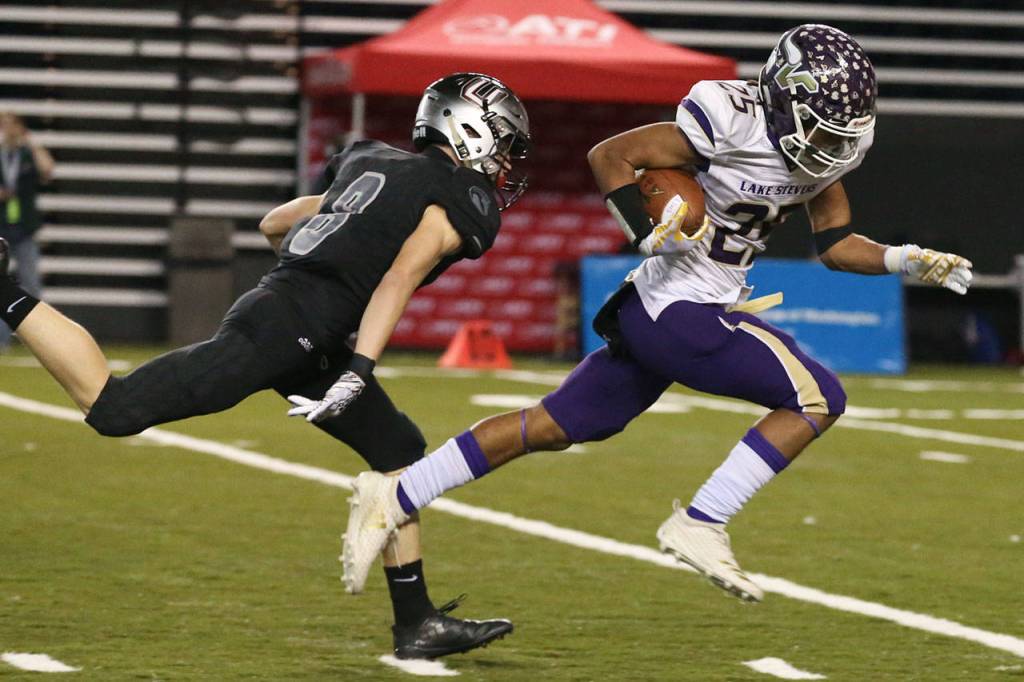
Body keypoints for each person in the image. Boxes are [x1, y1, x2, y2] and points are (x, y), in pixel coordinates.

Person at [334, 25, 973, 601]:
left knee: (555, 424)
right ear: (782, 98)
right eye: (824, 127)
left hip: (668, 313)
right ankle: (702, 520)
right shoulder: (729, 119)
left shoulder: (821, 156)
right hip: (679, 307)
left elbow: (835, 245)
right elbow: (610, 156)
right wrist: (645, 231)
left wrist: (905, 260)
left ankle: (396, 492)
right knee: (818, 398)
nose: (833, 146)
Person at [0, 72, 530, 659]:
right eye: (503, 140)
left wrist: (322, 277)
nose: (505, 158)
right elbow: (398, 277)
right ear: (470, 130)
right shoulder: (455, 195)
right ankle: (6, 293)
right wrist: (358, 367)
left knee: (397, 448)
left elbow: (274, 224)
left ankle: (416, 624)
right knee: (114, 408)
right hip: (290, 331)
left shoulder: (373, 161)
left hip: (293, 319)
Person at [0, 112, 54, 351]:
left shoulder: (27, 154)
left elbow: (47, 169)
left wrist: (30, 140)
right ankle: (2, 341)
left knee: (31, 285)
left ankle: (38, 341)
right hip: (2, 227)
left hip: (23, 229)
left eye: (11, 124)